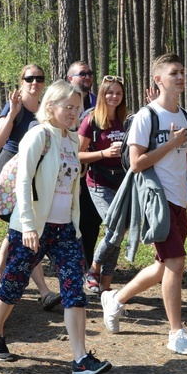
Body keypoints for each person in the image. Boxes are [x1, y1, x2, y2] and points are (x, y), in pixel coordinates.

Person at [0, 80, 112, 374]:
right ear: (50, 107)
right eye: (68, 107)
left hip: (64, 229)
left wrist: (75, 225)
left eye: (78, 108)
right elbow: (23, 182)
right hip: (31, 228)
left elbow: (71, 184)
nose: (74, 113)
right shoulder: (38, 136)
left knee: (73, 291)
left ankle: (80, 357)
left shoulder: (69, 141)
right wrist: (28, 225)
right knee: (13, 284)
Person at [100, 53, 187, 355]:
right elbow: (136, 162)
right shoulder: (146, 116)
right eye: (173, 73)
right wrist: (170, 143)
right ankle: (176, 332)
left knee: (163, 266)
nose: (180, 77)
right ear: (158, 79)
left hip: (179, 199)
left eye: (182, 72)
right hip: (156, 201)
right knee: (176, 264)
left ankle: (115, 300)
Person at [0, 64, 61, 309]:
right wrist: (12, 113)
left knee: (19, 228)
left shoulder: (45, 109)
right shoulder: (14, 106)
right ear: (22, 81)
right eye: (30, 78)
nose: (35, 82)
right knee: (24, 226)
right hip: (11, 171)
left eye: (40, 78)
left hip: (36, 174)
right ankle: (43, 291)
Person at [77, 75, 128, 293]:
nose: (114, 97)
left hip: (123, 182)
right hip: (98, 181)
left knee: (118, 229)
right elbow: (77, 154)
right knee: (115, 227)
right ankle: (93, 269)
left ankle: (106, 285)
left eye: (118, 93)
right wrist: (103, 153)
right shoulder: (91, 120)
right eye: (109, 92)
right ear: (102, 95)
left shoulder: (126, 119)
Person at [67, 61, 102, 276]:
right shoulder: (62, 102)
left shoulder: (99, 104)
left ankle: (87, 264)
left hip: (91, 170)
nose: (87, 77)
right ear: (70, 78)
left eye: (90, 73)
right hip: (65, 170)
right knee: (67, 220)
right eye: (82, 74)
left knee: (90, 221)